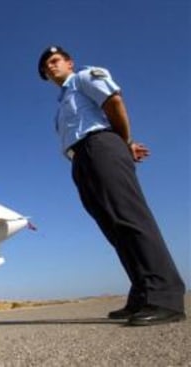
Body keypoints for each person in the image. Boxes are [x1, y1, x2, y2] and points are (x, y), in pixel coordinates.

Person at [38, 46, 186, 326]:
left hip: (101, 147)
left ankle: (165, 296)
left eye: (55, 61)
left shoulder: (83, 78)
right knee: (114, 227)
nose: (50, 67)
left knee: (130, 219)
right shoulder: (62, 103)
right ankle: (142, 294)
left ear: (69, 62)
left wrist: (124, 143)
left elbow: (114, 102)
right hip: (81, 159)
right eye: (46, 66)